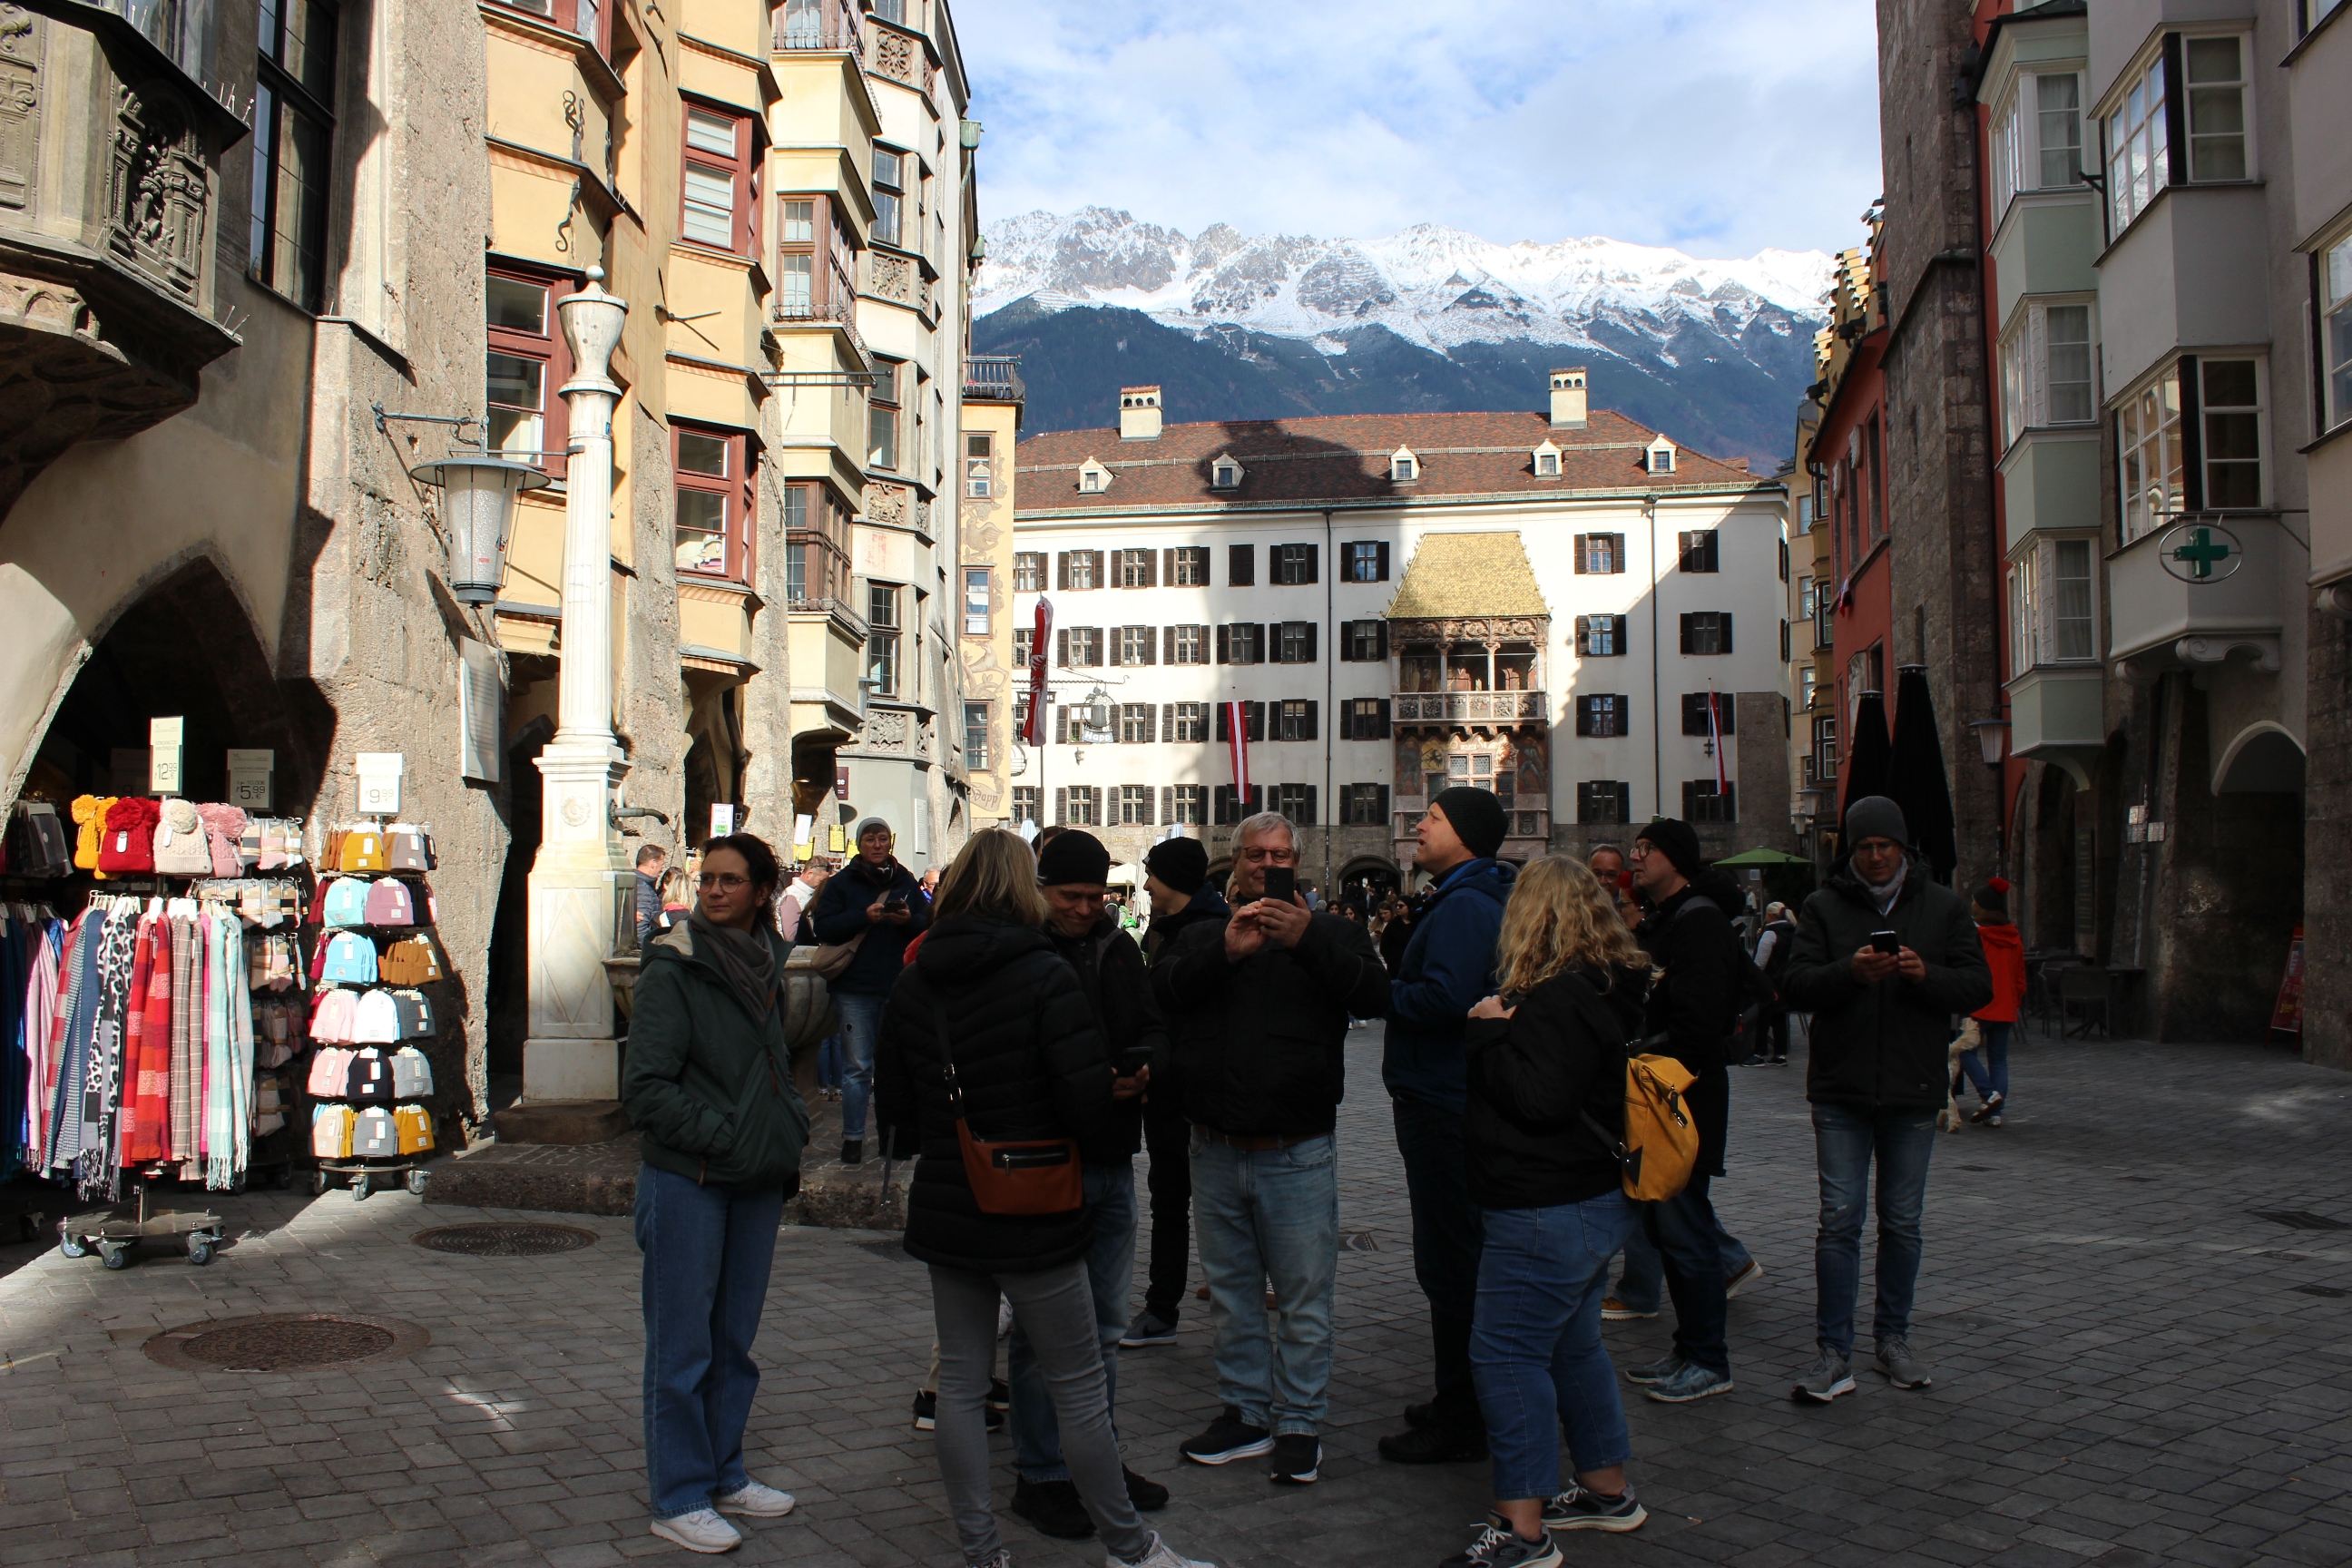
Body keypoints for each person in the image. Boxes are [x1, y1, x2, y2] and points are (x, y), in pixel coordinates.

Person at [874, 831, 1211, 1568]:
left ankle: (981, 1551)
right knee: (1080, 1384)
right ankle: (1132, 1550)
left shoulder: (914, 978)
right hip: (1034, 1202)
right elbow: (1085, 1103)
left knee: (961, 1386)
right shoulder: (1041, 974)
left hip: (949, 1202)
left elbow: (894, 1109)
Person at [1153, 811, 1389, 1485]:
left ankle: (1300, 1423)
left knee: (1303, 1297)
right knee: (1232, 1295)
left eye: (1279, 855)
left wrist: (1307, 939)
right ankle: (1246, 1413)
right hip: (1214, 1145)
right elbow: (1161, 994)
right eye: (1254, 855)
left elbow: (1376, 996)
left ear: (1297, 862)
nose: (1266, 865)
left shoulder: (1333, 932)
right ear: (1235, 862)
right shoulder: (1203, 932)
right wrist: (1224, 954)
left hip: (1297, 1148)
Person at [1442, 857, 1654, 1567]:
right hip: (1587, 1198)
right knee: (1572, 1346)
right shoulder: (1605, 984)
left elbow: (1540, 1100)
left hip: (1544, 1203)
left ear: (1530, 918)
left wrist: (1486, 1035)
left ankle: (1522, 1531)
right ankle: (1606, 1490)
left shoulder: (1560, 997)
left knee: (1506, 1356)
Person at [620, 833, 808, 1554]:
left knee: (734, 1341)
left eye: (731, 881)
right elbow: (646, 1088)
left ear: (762, 892)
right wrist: (724, 1136)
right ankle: (679, 1495)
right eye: (707, 881)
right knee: (682, 1348)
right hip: (690, 1177)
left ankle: (724, 1473)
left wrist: (783, 1129)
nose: (714, 891)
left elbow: (773, 1063)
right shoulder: (676, 964)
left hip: (754, 1175)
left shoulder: (767, 959)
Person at [1780, 796, 1993, 1403]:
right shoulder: (1822, 907)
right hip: (1840, 1089)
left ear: (1903, 848)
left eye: (1885, 846)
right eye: (1865, 847)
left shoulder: (1943, 907)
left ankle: (1893, 1339)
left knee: (1901, 1222)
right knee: (1839, 1221)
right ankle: (1833, 1352)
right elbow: (1793, 986)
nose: (1875, 857)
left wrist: (1928, 977)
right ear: (1851, 851)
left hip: (1912, 1087)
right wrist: (1848, 973)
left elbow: (1979, 986)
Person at [1004, 829, 1172, 1540]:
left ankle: (1095, 1461)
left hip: (1110, 1155)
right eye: (1070, 896)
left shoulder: (1118, 947)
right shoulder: (1020, 952)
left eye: (1095, 896)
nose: (1084, 908)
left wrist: (1143, 1067)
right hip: (1047, 1162)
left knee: (1104, 1327)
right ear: (1041, 889)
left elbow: (1152, 1026)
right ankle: (1042, 1472)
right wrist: (1085, 1081)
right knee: (1040, 1334)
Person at [1378, 788, 1517, 1466]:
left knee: (1450, 1261)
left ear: (1462, 832)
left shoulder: (1464, 905)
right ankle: (1460, 1398)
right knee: (1455, 1255)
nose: (1419, 826)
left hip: (1442, 1099)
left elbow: (1447, 998)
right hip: (1446, 1094)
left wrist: (1380, 993)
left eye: (1431, 818)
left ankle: (1463, 1416)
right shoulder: (1465, 895)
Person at [1617, 819, 1751, 1405]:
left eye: (1645, 850)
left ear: (1675, 859)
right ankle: (1689, 1346)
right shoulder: (1667, 919)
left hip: (1683, 1100)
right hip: (1662, 1096)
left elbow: (1698, 1024)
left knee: (1686, 1229)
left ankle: (1708, 1359)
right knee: (1667, 1229)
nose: (1636, 858)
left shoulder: (1698, 923)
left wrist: (1648, 1055)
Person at [1122, 836, 1229, 1351]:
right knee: (1169, 1200)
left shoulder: (1214, 932)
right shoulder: (1164, 929)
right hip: (1167, 1088)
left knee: (1207, 1205)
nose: (1145, 884)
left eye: (1152, 875)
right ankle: (1163, 1307)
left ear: (1173, 880)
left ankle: (1190, 1308)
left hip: (1200, 1091)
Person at [808, 817, 928, 1164]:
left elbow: (927, 923)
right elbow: (824, 928)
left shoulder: (905, 880)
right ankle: (853, 1138)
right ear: (859, 844)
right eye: (870, 839)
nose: (877, 845)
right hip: (855, 988)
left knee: (893, 1067)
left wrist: (909, 920)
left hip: (896, 986)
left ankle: (892, 1140)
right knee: (857, 1067)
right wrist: (864, 917)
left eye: (882, 839)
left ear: (890, 842)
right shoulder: (841, 883)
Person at [1959, 878, 2025, 1124]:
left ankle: (1989, 1094)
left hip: (1980, 1002)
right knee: (1998, 1059)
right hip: (2006, 1004)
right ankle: (1995, 1113)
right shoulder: (2013, 936)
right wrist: (2015, 999)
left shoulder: (1977, 935)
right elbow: (2020, 975)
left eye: (1975, 902)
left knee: (1963, 1050)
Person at [1740, 902, 1797, 1067]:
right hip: (1785, 981)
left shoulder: (1770, 934)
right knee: (1779, 1018)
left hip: (1768, 982)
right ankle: (1780, 1054)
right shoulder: (1793, 932)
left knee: (1763, 1017)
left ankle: (1758, 1054)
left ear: (1770, 916)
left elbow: (1760, 963)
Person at [634, 843, 669, 948]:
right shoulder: (642, 887)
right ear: (653, 863)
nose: (661, 869)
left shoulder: (643, 884)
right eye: (661, 865)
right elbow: (640, 927)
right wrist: (650, 949)